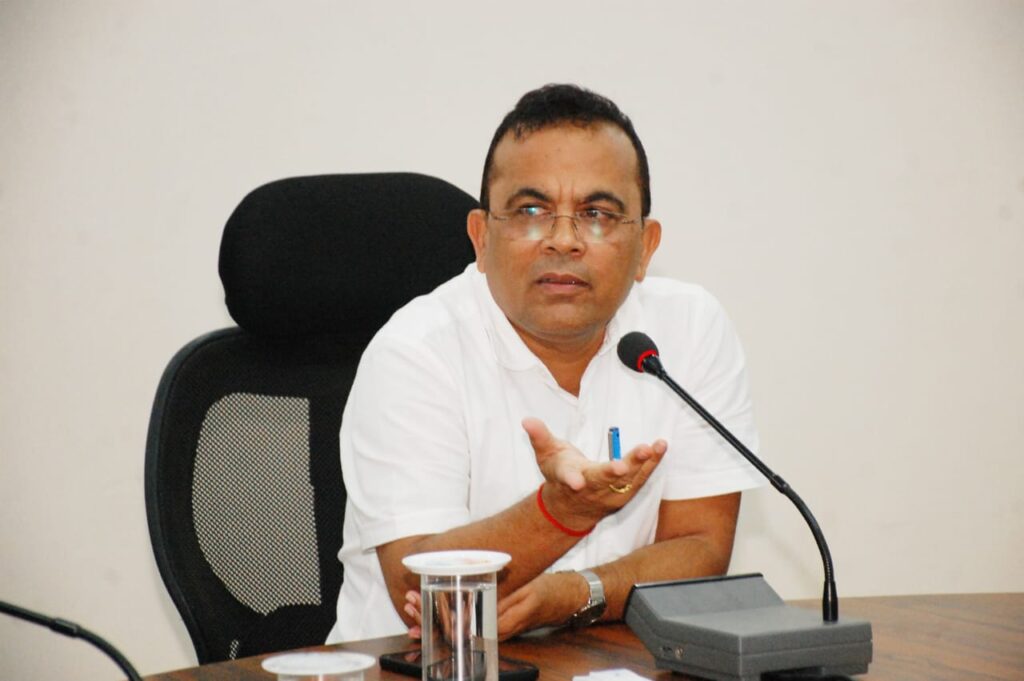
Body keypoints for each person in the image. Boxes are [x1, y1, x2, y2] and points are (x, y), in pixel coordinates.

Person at [326, 84, 762, 644]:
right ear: (481, 239)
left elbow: (702, 547)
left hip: (607, 664)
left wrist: (575, 594)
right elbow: (425, 594)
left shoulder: (688, 328)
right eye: (531, 211)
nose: (563, 241)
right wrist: (562, 513)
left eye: (597, 214)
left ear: (646, 247)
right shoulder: (415, 350)